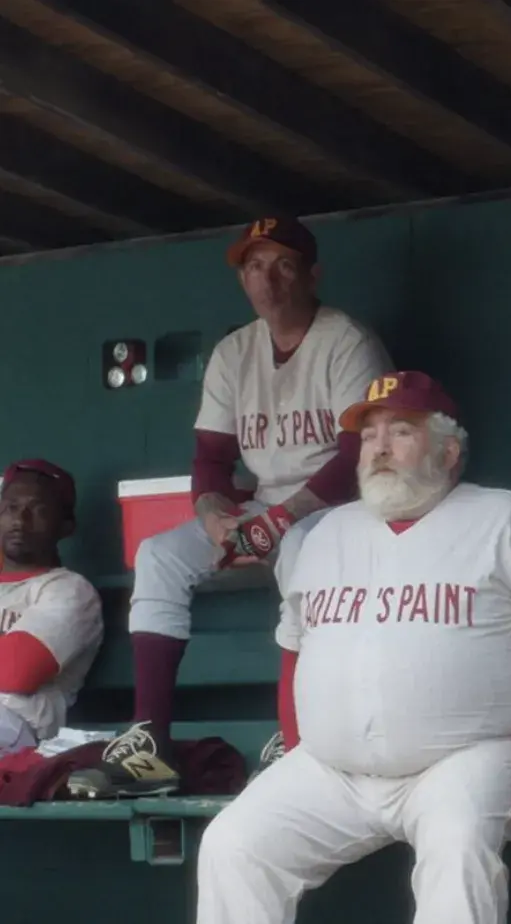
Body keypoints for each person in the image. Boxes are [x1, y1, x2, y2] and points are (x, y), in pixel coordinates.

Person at [194, 370, 511, 924]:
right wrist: (298, 752)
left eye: (401, 432)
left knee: (457, 847)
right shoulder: (320, 535)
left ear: (450, 451)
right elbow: (296, 654)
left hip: (470, 756)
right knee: (233, 844)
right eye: (368, 437)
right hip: (334, 771)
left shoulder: (510, 519)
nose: (380, 449)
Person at [68, 215, 394, 799]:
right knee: (159, 555)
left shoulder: (348, 341)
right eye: (253, 266)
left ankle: (301, 737)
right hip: (268, 507)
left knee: (300, 547)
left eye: (283, 265)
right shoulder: (234, 352)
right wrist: (214, 516)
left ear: (312, 274)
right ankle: (151, 746)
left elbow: (356, 457)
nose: (267, 280)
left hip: (345, 511)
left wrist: (280, 519)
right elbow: (211, 460)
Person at [0, 459, 103, 756]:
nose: (20, 520)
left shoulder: (70, 590)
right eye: (11, 508)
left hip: (20, 728)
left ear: (66, 526)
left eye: (39, 510)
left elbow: (16, 672)